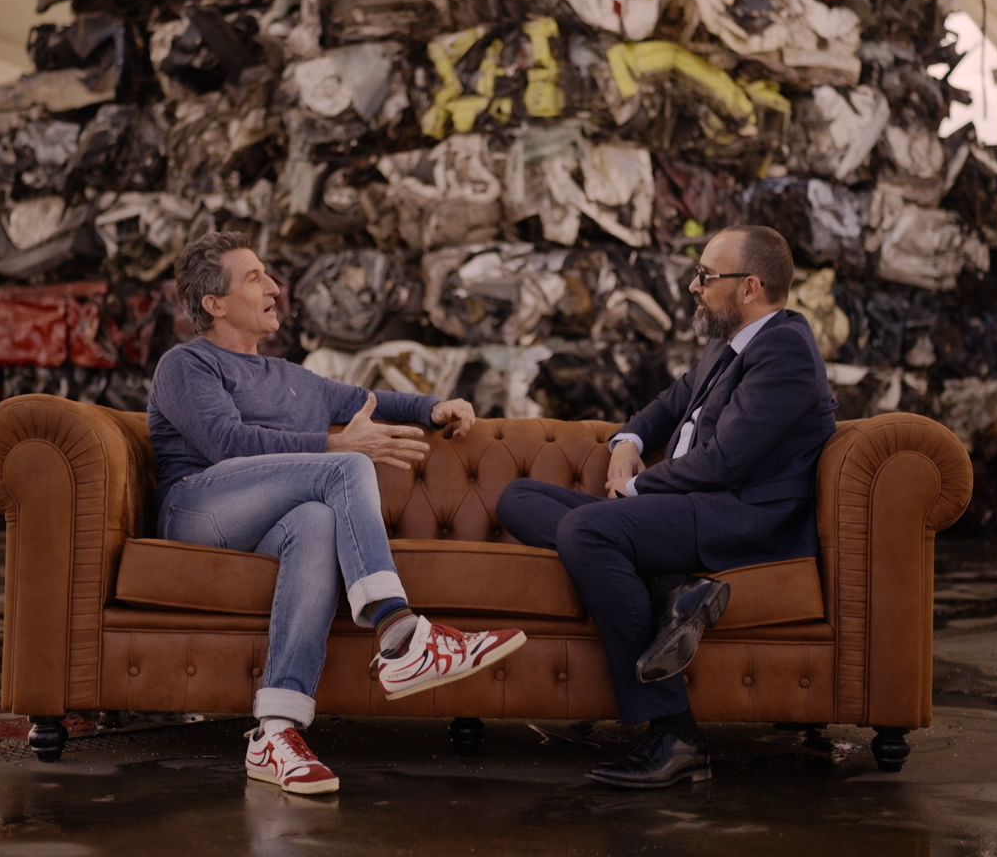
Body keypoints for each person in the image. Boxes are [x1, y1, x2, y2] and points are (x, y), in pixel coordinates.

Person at [148, 231, 527, 796]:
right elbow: (225, 442)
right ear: (214, 304)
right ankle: (401, 635)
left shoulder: (292, 378)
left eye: (268, 275)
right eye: (254, 278)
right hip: (196, 508)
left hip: (263, 523)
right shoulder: (186, 364)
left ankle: (276, 730)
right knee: (346, 465)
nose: (273, 287)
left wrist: (433, 408)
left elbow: (367, 401)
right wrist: (335, 447)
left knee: (316, 523)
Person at [496, 225, 836, 789]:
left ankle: (676, 736)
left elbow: (726, 461)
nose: (693, 286)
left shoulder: (785, 350)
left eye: (705, 276)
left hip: (739, 515)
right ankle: (673, 591)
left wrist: (635, 489)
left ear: (750, 287)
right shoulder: (728, 344)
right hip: (693, 506)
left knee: (587, 532)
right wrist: (626, 443)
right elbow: (667, 403)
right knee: (517, 497)